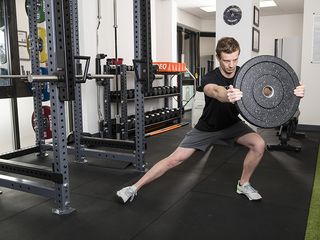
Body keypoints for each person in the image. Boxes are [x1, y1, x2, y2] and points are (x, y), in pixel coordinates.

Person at [116, 37, 305, 203]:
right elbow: (214, 91)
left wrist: (291, 93)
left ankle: (244, 183)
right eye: (226, 60)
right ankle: (134, 188)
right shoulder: (209, 77)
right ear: (218, 58)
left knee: (259, 144)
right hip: (207, 128)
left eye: (235, 59)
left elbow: (268, 92)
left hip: (232, 125)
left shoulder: (246, 76)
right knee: (174, 159)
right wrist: (227, 94)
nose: (231, 65)